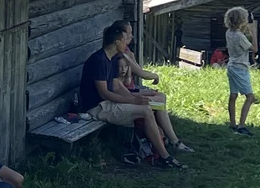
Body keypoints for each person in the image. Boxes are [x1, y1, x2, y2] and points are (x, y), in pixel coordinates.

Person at [80, 22, 182, 168]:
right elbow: (104, 93)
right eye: (125, 39)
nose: (127, 42)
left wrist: (136, 97)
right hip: (96, 107)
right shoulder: (99, 60)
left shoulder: (112, 58)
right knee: (146, 110)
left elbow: (115, 86)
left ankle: (164, 144)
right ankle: (164, 156)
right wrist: (133, 99)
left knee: (156, 104)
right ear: (117, 42)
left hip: (108, 103)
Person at [116, 22, 191, 156]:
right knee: (159, 102)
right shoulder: (123, 55)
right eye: (129, 33)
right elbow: (140, 72)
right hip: (127, 93)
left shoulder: (127, 53)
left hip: (131, 90)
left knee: (160, 98)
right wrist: (155, 76)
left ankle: (165, 136)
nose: (131, 36)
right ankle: (171, 140)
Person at [225, 5, 260, 134]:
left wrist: (246, 28)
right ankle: (241, 125)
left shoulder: (229, 32)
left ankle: (232, 123)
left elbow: (240, 33)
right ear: (241, 20)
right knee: (250, 97)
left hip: (231, 65)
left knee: (233, 95)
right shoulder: (240, 37)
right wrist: (253, 31)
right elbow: (255, 49)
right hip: (240, 68)